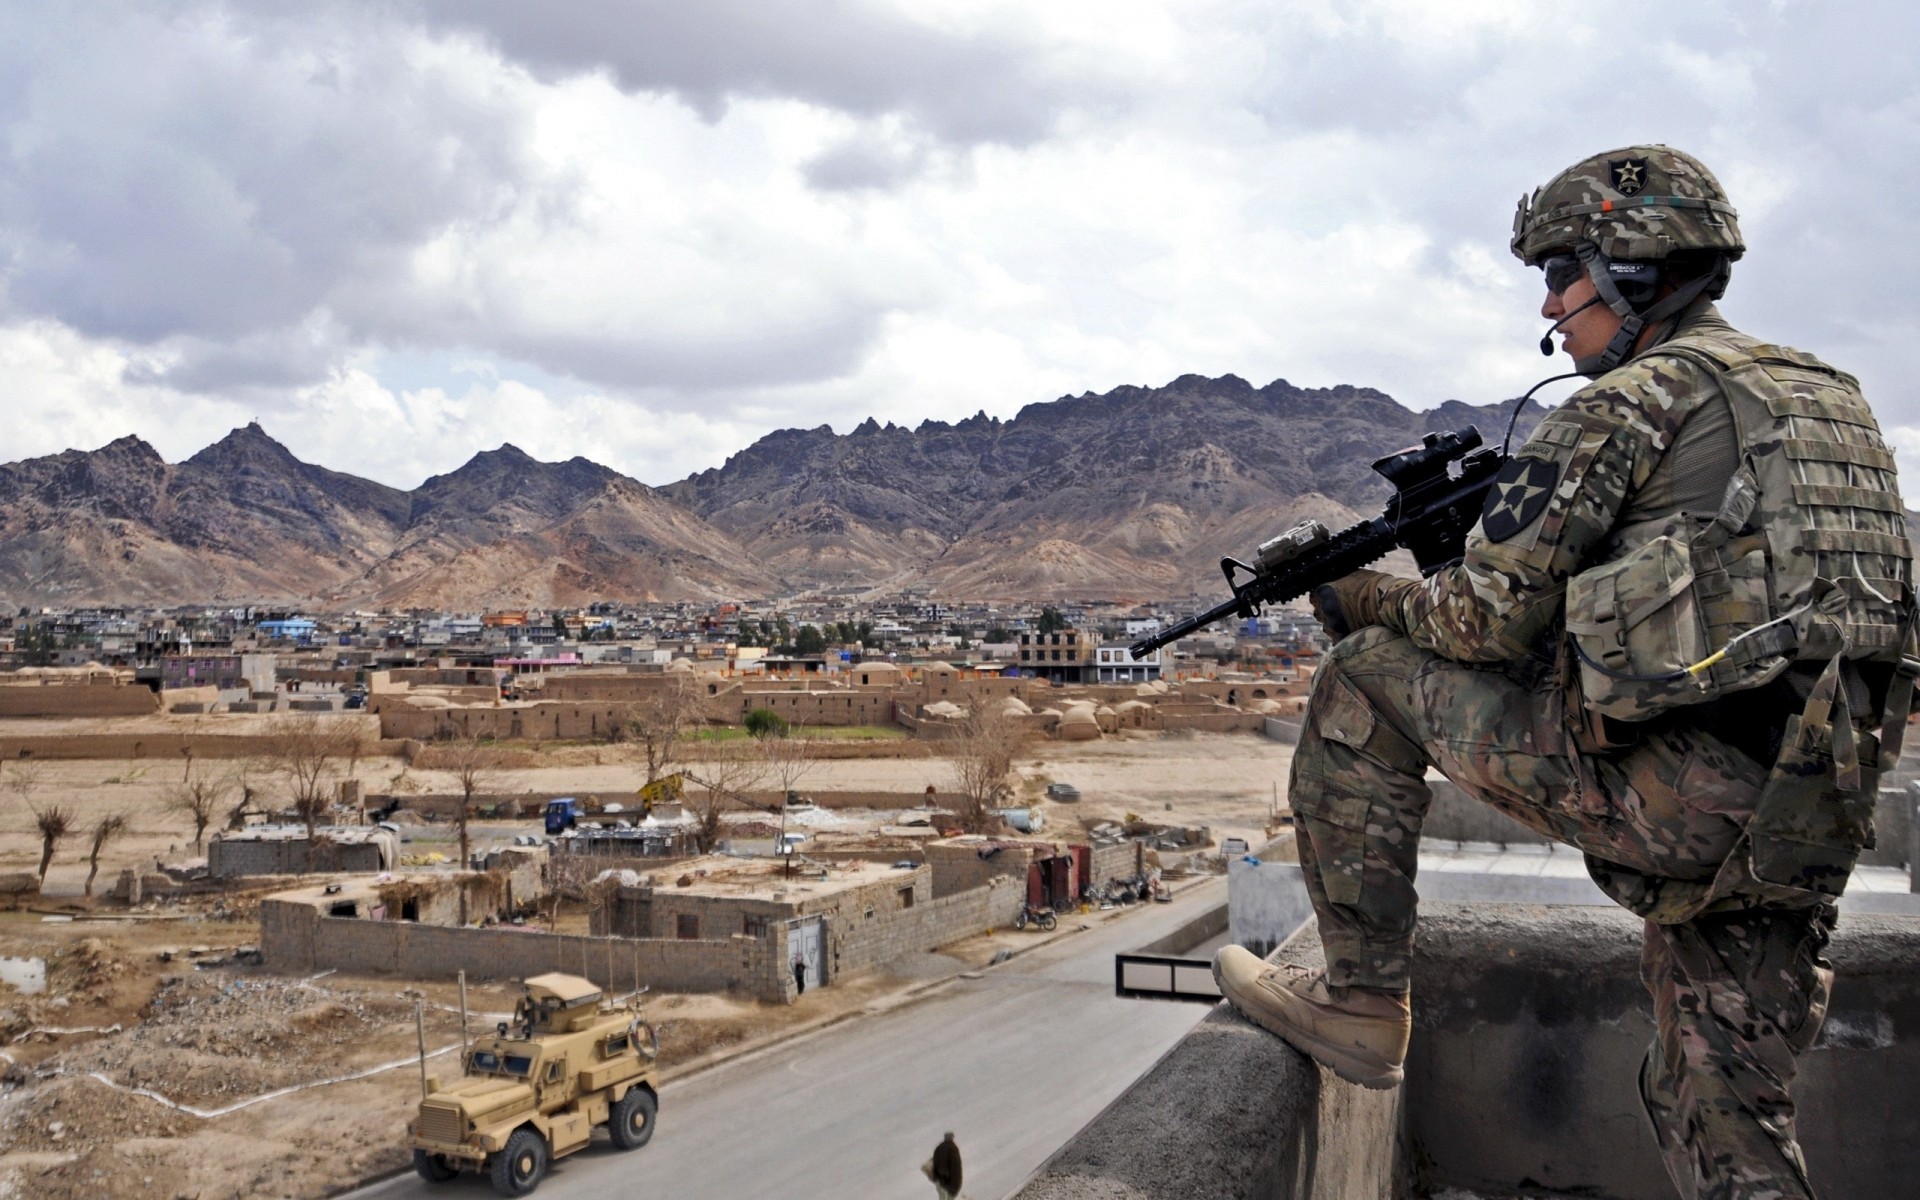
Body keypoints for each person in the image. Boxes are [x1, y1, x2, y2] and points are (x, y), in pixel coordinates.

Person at [1213, 145, 1914, 1200]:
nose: (1550, 310)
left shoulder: (1631, 400)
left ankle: (1360, 1004)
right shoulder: (1832, 402)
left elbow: (1481, 619)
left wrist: (1362, 596)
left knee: (1364, 673)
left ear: (1631, 271)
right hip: (1808, 814)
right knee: (1725, 1118)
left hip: (1683, 801)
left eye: (1561, 273)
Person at [923, 1131, 962, 1200]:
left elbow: (936, 1162)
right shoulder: (952, 1148)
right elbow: (954, 1167)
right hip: (949, 1182)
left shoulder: (939, 1147)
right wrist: (945, 1177)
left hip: (941, 1180)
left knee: (943, 1197)